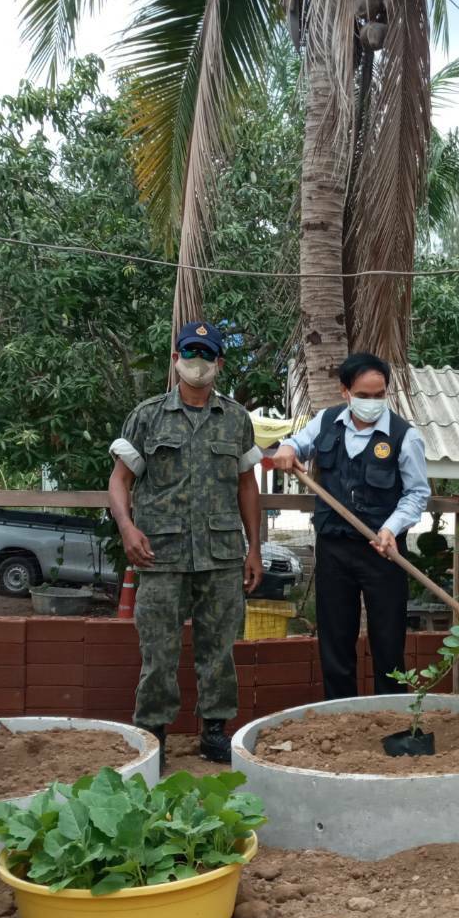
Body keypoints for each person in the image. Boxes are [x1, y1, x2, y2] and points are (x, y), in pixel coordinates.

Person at [108, 321, 263, 768]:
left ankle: (214, 732)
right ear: (175, 359)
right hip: (160, 554)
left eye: (206, 355)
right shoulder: (148, 415)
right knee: (159, 652)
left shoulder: (235, 419)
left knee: (219, 650)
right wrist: (126, 527)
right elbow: (120, 481)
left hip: (220, 557)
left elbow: (247, 487)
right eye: (189, 353)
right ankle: (154, 736)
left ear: (219, 362)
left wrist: (254, 548)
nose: (197, 363)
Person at [269, 353, 430, 698]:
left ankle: (392, 716)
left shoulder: (405, 437)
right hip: (334, 550)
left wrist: (392, 528)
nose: (372, 402)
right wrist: (286, 447)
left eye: (379, 395)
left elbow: (417, 495)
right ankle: (340, 716)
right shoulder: (326, 422)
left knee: (388, 640)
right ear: (345, 392)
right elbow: (297, 444)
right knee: (335, 638)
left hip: (382, 553)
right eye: (363, 395)